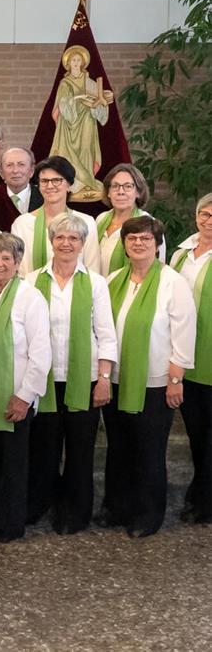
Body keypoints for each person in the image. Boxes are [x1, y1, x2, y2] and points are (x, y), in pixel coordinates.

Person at [101, 215, 196, 537]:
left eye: (145, 238)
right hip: (117, 378)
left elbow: (184, 333)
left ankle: (148, 515)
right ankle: (117, 507)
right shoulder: (114, 279)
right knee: (118, 446)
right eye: (132, 238)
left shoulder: (172, 282)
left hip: (155, 382)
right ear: (124, 244)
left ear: (157, 245)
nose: (138, 243)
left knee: (149, 450)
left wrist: (175, 379)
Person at [24, 212, 118, 533]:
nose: (66, 243)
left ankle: (75, 512)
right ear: (51, 241)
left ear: (82, 244)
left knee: (80, 451)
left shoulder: (95, 283)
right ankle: (41, 502)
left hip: (84, 379)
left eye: (73, 238)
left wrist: (103, 379)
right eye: (60, 237)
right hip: (45, 381)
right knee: (44, 448)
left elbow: (106, 334)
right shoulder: (31, 281)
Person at [0, 233, 52, 542]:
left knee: (13, 465)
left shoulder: (30, 298)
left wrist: (24, 397)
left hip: (15, 395)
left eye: (6, 258)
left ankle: (10, 523)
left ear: (18, 263)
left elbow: (41, 353)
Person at [171, 193, 212, 524]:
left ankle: (204, 500)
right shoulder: (181, 254)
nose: (208, 220)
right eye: (204, 213)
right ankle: (200, 493)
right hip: (187, 357)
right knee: (197, 432)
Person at [11, 156, 100, 275]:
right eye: (44, 181)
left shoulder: (86, 222)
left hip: (77, 287)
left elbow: (93, 270)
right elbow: (18, 272)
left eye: (57, 180)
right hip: (31, 286)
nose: (50, 186)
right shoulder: (22, 224)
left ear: (69, 185)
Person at [49, 44, 113, 201]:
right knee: (68, 153)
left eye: (78, 60)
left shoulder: (90, 82)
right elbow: (62, 105)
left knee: (86, 149)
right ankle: (73, 183)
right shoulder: (65, 83)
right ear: (68, 63)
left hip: (87, 121)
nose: (76, 63)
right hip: (68, 126)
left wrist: (103, 100)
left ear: (83, 63)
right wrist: (77, 99)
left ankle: (86, 182)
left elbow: (99, 102)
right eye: (73, 60)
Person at [96, 163, 165, 275]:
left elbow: (157, 269)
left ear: (138, 192)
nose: (121, 192)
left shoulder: (149, 225)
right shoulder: (100, 219)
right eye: (115, 186)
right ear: (108, 192)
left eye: (128, 186)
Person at [0, 147, 42, 232]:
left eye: (21, 164)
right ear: (1, 172)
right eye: (9, 165)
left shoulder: (44, 196)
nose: (15, 170)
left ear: (31, 171)